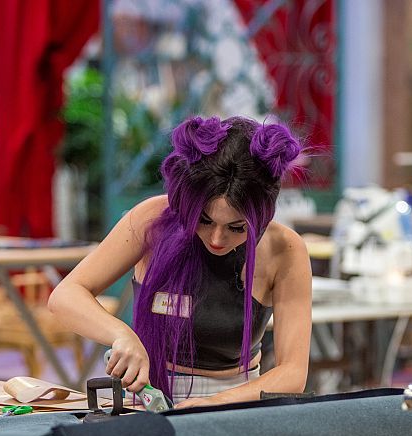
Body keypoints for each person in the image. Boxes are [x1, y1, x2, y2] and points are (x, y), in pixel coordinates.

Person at [49, 115, 311, 409]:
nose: (217, 238)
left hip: (239, 402)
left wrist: (216, 402)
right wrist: (121, 335)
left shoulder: (284, 249)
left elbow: (293, 373)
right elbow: (65, 296)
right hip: (147, 399)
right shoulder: (151, 219)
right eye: (204, 220)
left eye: (237, 228)